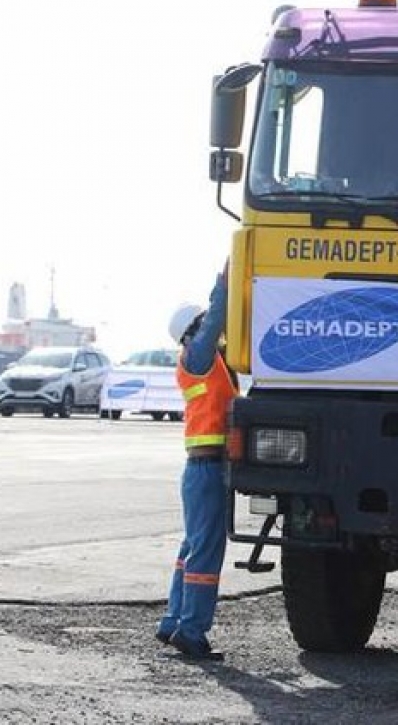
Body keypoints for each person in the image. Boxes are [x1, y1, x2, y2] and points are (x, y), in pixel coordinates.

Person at [156, 263, 238, 660]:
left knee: (192, 546)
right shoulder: (198, 354)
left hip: (200, 469)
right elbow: (218, 314)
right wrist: (224, 281)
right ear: (193, 328)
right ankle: (191, 631)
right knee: (206, 551)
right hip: (207, 469)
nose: (212, 328)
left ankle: (173, 622)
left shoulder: (200, 360)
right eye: (203, 324)